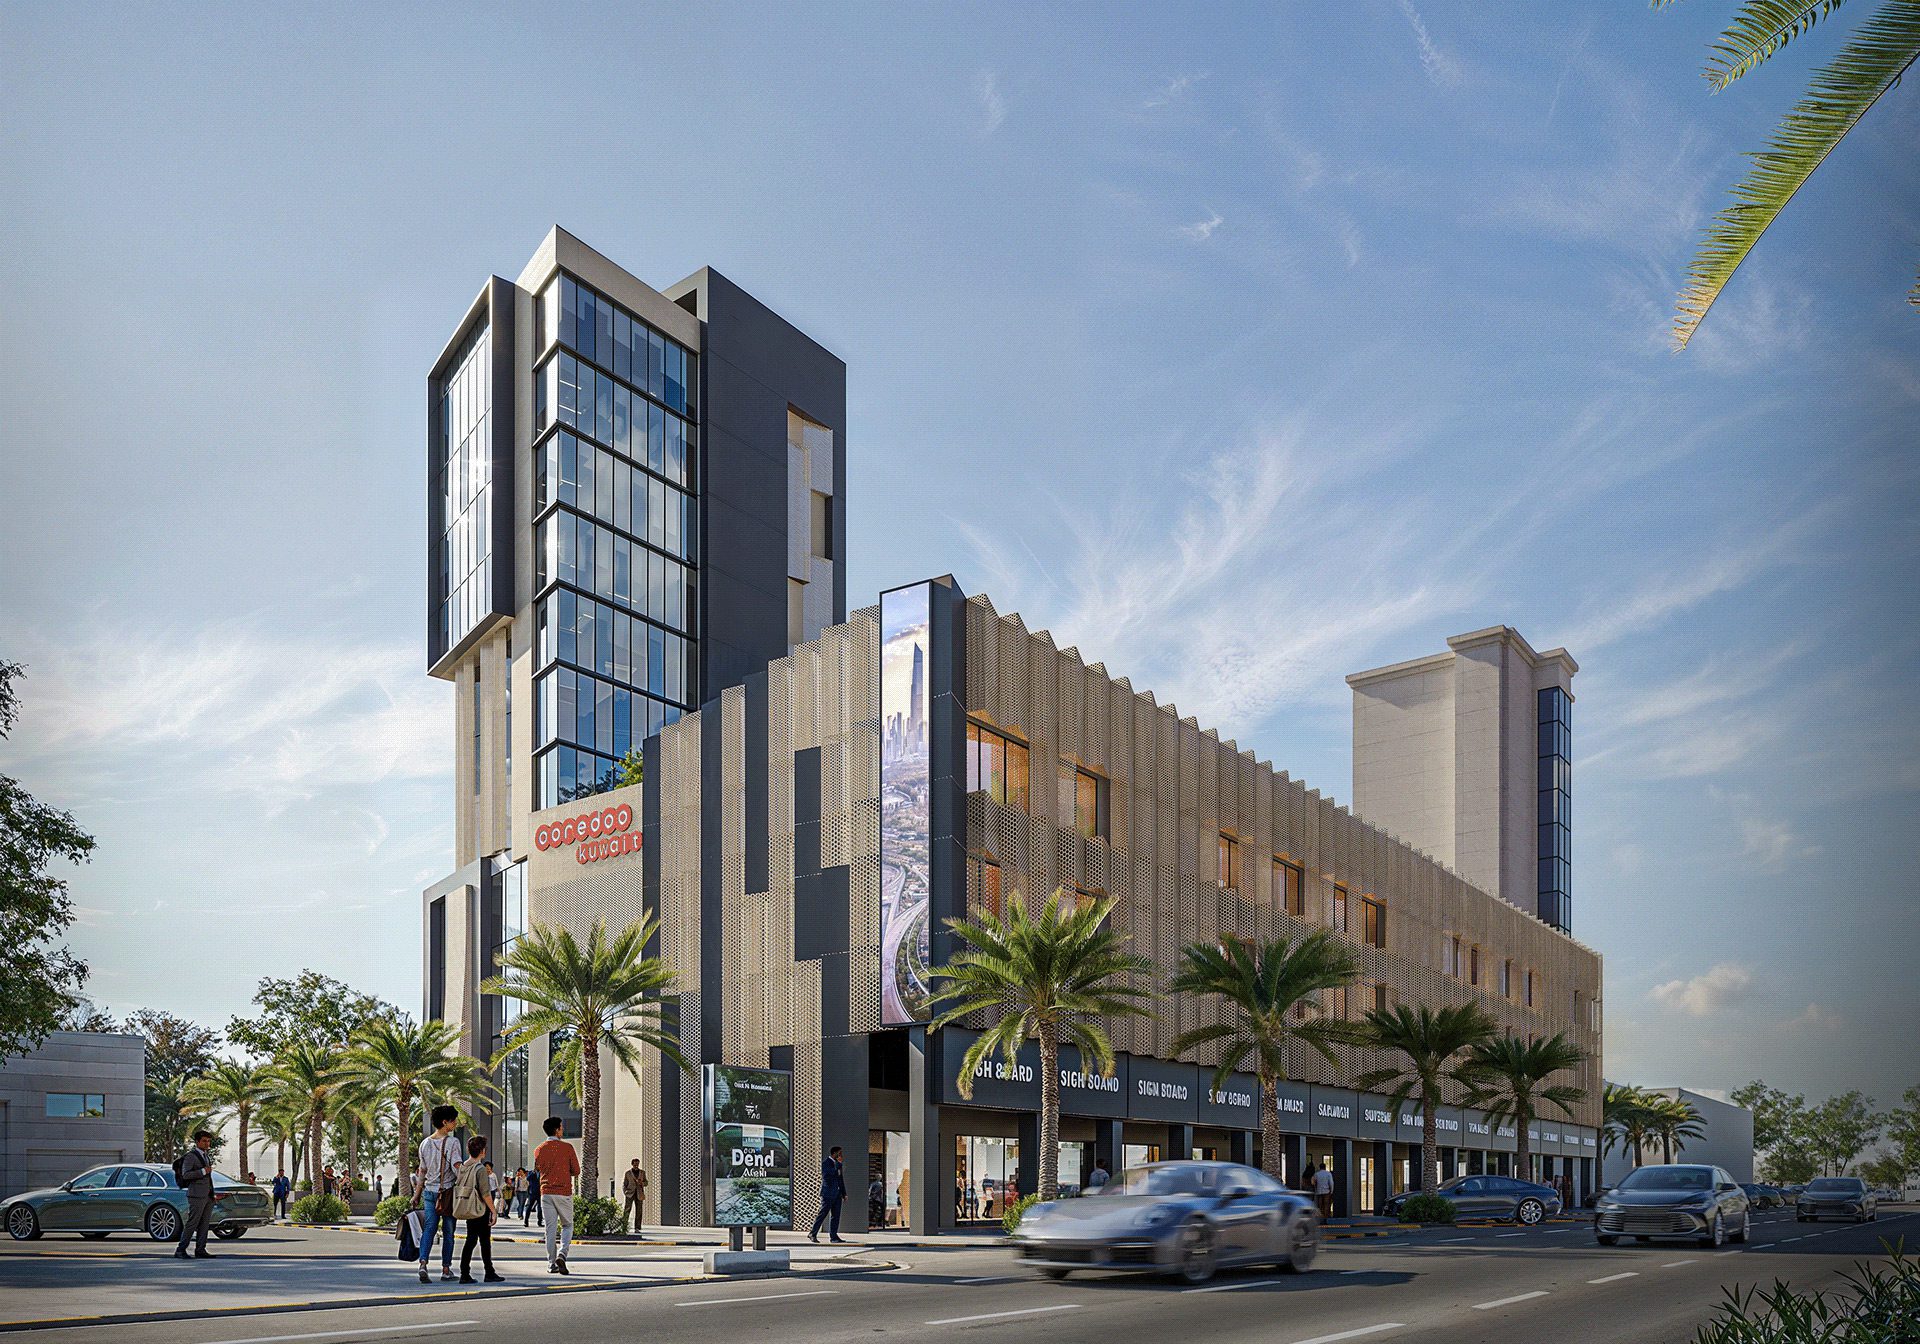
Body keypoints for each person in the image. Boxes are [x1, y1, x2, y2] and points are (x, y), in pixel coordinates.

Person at [414, 1104, 465, 1284]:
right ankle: (445, 1269)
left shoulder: (425, 1143)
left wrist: (416, 1194)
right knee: (448, 1232)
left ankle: (423, 1263)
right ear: (445, 1122)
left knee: (429, 1229)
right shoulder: (452, 1142)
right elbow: (456, 1166)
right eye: (453, 1120)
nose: (455, 1123)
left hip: (429, 1192)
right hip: (448, 1193)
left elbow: (422, 1171)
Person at [455, 1135, 505, 1284]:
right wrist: (494, 1211)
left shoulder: (463, 1166)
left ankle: (465, 1272)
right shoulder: (480, 1169)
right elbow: (485, 1193)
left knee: (470, 1240)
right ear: (483, 1151)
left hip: (468, 1206)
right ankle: (489, 1272)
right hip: (480, 1209)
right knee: (484, 1242)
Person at [533, 1116, 580, 1275]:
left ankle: (551, 1264)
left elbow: (538, 1168)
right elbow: (576, 1171)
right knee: (567, 1225)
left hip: (546, 1192)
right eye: (561, 1127)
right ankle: (562, 1254)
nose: (563, 1130)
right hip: (563, 1192)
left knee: (550, 1229)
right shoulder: (567, 1148)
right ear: (557, 1130)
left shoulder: (538, 1149)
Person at [174, 1130, 218, 1259]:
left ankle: (200, 1249)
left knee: (204, 1224)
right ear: (197, 1142)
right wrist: (203, 1171)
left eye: (208, 1141)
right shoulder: (191, 1156)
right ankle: (180, 1249)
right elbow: (186, 1174)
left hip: (208, 1195)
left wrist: (212, 1193)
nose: (207, 1143)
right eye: (204, 1141)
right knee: (192, 1224)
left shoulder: (206, 1156)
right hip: (196, 1195)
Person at [809, 1144, 847, 1243]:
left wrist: (844, 1193)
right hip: (828, 1193)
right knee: (823, 1214)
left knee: (836, 1216)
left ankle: (833, 1236)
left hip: (837, 1194)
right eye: (839, 1153)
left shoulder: (838, 1165)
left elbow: (840, 1179)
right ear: (834, 1154)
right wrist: (838, 1165)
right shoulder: (826, 1163)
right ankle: (812, 1233)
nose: (841, 1155)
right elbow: (827, 1175)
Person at [621, 1160, 647, 1234]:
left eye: (637, 1164)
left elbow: (646, 1182)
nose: (636, 1166)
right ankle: (624, 1226)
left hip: (639, 1194)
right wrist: (625, 1192)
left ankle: (637, 1227)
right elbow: (624, 1184)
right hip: (630, 1193)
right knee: (627, 1210)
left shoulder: (642, 1173)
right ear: (632, 1164)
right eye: (635, 1164)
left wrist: (641, 1183)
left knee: (639, 1211)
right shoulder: (628, 1173)